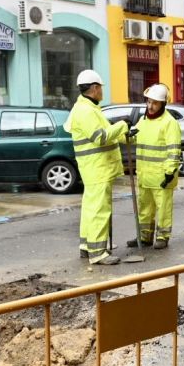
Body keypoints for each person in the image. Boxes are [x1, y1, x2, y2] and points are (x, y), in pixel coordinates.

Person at [65, 69, 132, 265]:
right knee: (99, 211)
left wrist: (124, 133)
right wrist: (122, 125)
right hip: (97, 168)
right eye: (100, 87)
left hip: (95, 168)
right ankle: (98, 253)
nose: (102, 90)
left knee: (90, 209)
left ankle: (87, 247)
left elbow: (105, 133)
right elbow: (100, 137)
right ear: (94, 88)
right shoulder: (85, 111)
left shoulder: (89, 108)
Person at [125, 83, 181, 250]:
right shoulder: (143, 120)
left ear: (163, 104)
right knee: (144, 208)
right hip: (144, 175)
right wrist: (125, 131)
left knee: (163, 209)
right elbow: (133, 138)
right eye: (149, 102)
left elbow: (173, 150)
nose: (150, 106)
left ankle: (162, 237)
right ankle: (144, 236)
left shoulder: (169, 123)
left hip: (162, 176)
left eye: (155, 103)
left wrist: (170, 172)